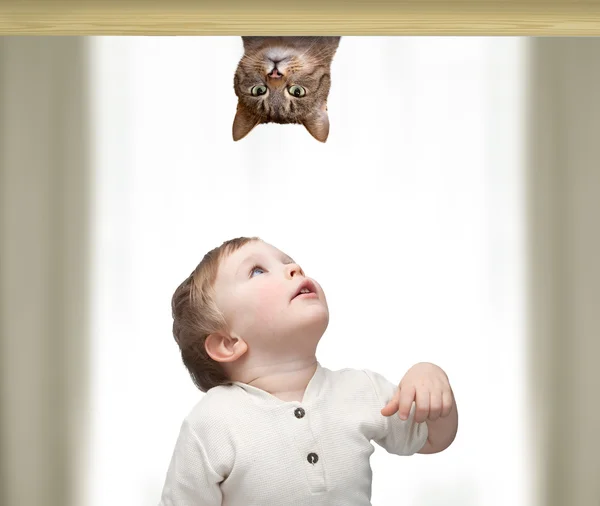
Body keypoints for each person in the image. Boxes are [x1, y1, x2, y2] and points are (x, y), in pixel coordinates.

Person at [159, 237, 458, 506]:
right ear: (228, 343)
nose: (295, 268)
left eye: (289, 261)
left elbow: (432, 438)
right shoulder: (213, 422)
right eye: (258, 271)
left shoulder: (361, 389)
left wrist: (429, 378)